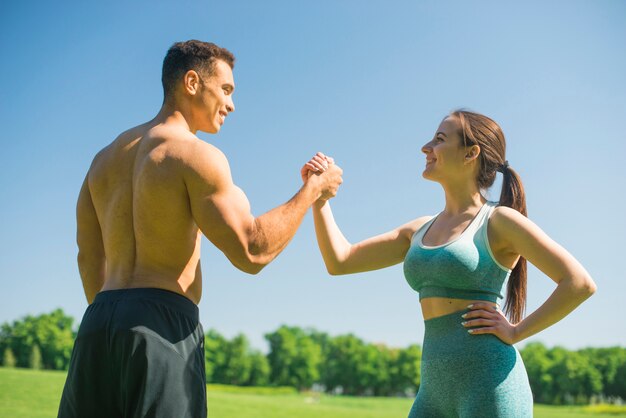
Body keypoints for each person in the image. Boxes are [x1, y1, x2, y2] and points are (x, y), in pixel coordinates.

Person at [57, 40, 343, 418]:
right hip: (162, 326)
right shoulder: (195, 155)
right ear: (192, 82)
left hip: (98, 325)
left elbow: (88, 255)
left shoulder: (103, 159)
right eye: (225, 89)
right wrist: (313, 190)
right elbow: (252, 250)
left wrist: (117, 317)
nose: (231, 104)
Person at [303, 110, 596, 417]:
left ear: (471, 153)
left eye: (439, 139)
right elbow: (340, 260)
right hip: (433, 393)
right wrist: (320, 198)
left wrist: (516, 332)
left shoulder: (498, 221)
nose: (426, 147)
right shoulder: (418, 230)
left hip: (491, 387)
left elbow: (578, 283)